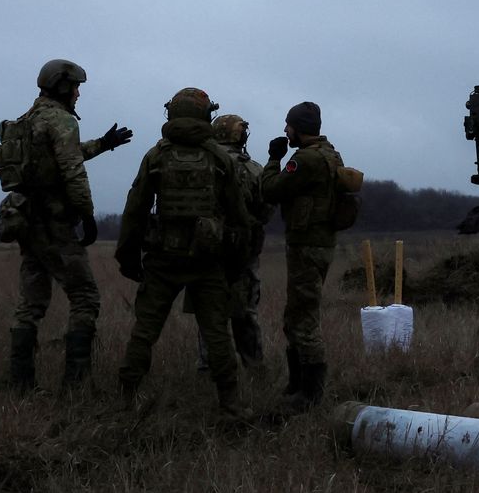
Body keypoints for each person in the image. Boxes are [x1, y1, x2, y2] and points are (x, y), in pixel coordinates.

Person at [115, 88, 252, 418]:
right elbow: (239, 217)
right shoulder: (219, 158)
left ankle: (125, 402)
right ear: (205, 116)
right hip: (208, 262)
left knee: (144, 332)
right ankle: (231, 406)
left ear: (172, 115)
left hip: (163, 260)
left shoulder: (157, 156)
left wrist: (128, 256)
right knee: (217, 334)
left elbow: (135, 208)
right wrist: (236, 264)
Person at [0, 58, 132, 391]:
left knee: (31, 302)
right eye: (75, 87)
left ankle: (20, 384)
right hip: (55, 223)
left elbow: (59, 157)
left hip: (28, 221)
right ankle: (75, 385)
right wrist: (87, 214)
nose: (77, 94)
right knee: (86, 297)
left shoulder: (27, 120)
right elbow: (72, 169)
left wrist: (103, 143)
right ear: (61, 86)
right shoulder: (61, 120)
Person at [261, 100, 346, 411]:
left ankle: (309, 395)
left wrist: (273, 160)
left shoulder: (306, 160)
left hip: (307, 244)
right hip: (318, 242)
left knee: (303, 319)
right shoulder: (330, 153)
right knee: (294, 315)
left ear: (300, 128)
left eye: (289, 125)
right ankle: (296, 385)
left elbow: (271, 190)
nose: (286, 130)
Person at [185, 113, 271, 373]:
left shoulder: (199, 162)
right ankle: (253, 367)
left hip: (203, 249)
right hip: (242, 251)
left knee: (208, 312)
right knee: (244, 313)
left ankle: (208, 366)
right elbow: (265, 211)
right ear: (239, 135)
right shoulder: (252, 168)